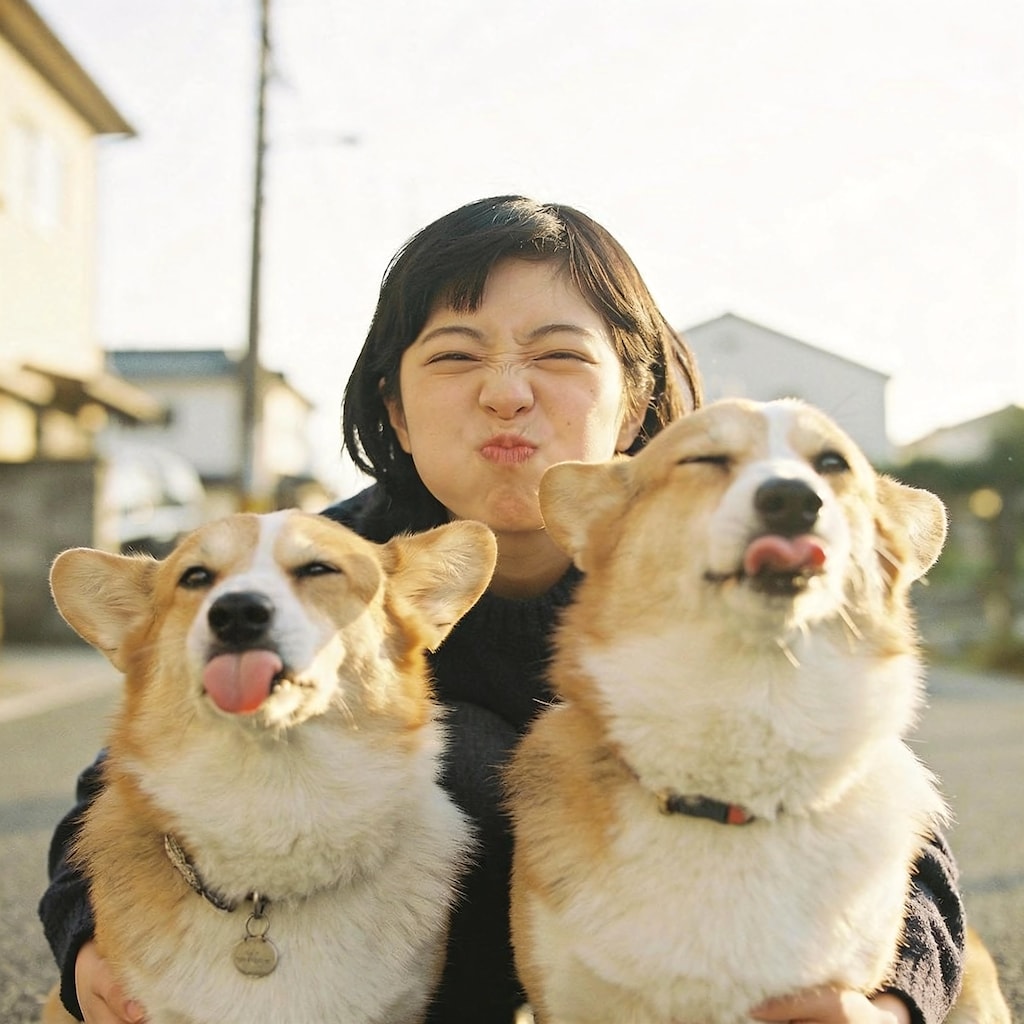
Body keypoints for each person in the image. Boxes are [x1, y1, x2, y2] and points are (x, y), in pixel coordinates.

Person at [40, 195, 965, 1024]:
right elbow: (130, 768)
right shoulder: (322, 573)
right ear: (394, 411)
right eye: (454, 357)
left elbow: (869, 787)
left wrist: (891, 996)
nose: (507, 392)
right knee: (473, 762)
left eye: (559, 355)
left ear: (636, 397)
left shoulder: (712, 559)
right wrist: (88, 946)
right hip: (424, 954)